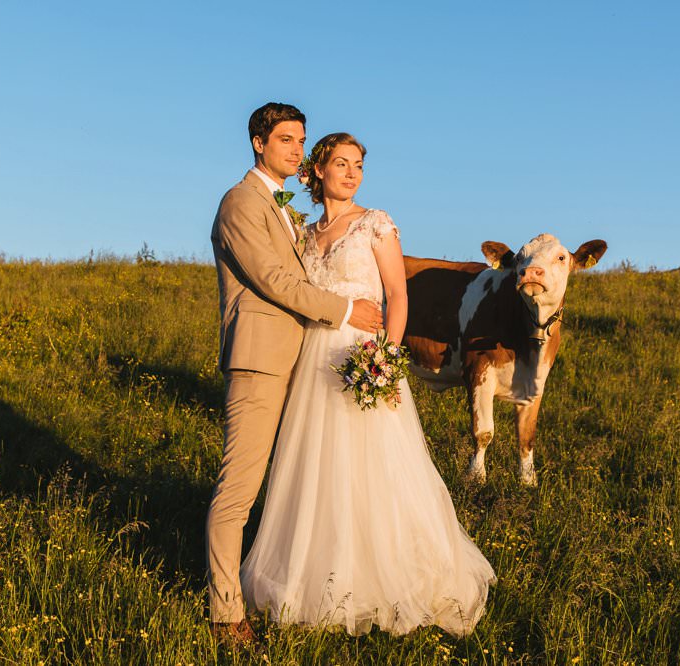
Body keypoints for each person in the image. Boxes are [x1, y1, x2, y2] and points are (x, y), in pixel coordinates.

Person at [240, 133, 496, 636]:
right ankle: (318, 576)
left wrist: (386, 357)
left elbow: (398, 296)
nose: (352, 173)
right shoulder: (303, 234)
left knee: (376, 467)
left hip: (364, 357)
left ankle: (393, 575)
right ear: (317, 171)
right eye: (341, 163)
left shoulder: (376, 224)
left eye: (359, 164)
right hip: (315, 361)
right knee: (317, 470)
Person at [208, 103, 384, 643]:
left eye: (301, 140)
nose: (296, 149)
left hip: (300, 361)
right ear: (258, 143)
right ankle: (224, 614)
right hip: (261, 360)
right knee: (238, 489)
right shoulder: (241, 202)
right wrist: (347, 311)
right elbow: (276, 280)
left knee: (291, 485)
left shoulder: (282, 206)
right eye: (285, 139)